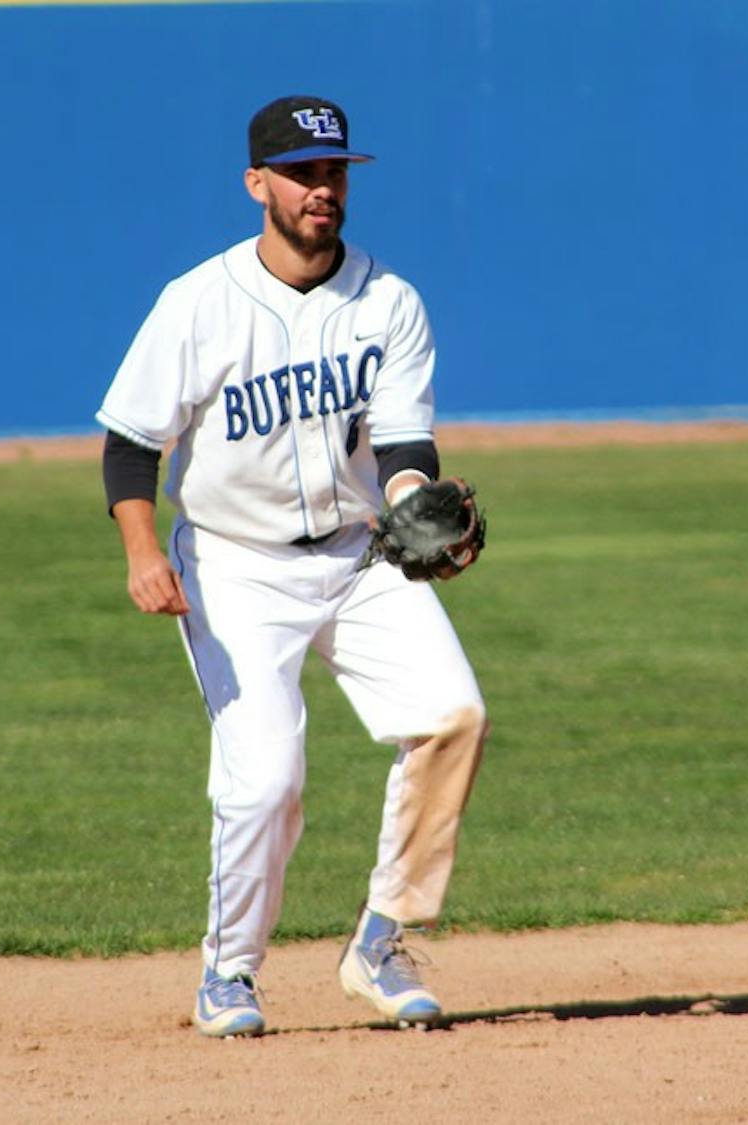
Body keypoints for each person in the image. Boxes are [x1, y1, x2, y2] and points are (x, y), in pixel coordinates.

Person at [97, 94, 487, 1038]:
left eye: (335, 171)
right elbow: (131, 444)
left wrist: (409, 513)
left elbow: (402, 443)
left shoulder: (388, 301)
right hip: (234, 565)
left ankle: (383, 939)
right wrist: (143, 551)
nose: (322, 188)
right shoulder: (199, 302)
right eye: (304, 172)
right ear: (257, 183)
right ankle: (229, 971)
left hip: (358, 558)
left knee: (452, 716)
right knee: (266, 775)